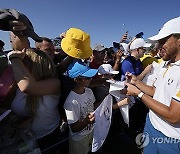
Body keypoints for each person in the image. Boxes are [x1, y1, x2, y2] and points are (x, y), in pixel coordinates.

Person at [125, 16, 180, 154]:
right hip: (151, 124)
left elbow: (173, 116)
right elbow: (155, 91)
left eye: (163, 41)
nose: (159, 47)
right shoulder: (166, 64)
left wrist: (138, 93)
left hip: (170, 138)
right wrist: (136, 81)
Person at [8, 48, 61, 151]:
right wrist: (15, 121)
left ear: (36, 66)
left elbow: (28, 87)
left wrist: (14, 58)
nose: (20, 66)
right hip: (23, 140)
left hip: (48, 137)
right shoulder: (18, 83)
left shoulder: (54, 83)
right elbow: (8, 104)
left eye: (23, 62)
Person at [64, 60, 98, 154]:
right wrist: (87, 121)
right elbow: (74, 128)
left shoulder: (89, 91)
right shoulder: (71, 101)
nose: (90, 79)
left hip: (90, 131)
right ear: (76, 80)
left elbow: (92, 106)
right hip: (79, 139)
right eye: (87, 78)